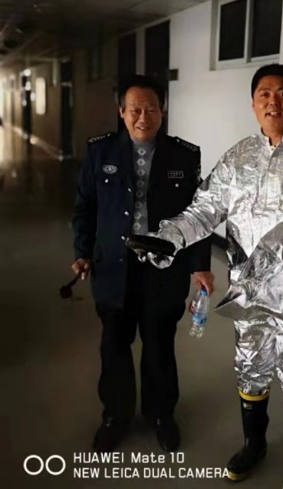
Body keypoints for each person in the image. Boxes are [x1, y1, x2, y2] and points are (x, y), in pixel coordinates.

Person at [132, 64, 283, 489]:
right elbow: (204, 211)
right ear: (253, 103)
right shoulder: (238, 158)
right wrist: (168, 239)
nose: (274, 101)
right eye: (264, 94)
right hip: (249, 293)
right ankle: (254, 444)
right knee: (251, 367)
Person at [71, 75, 213, 454]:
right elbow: (85, 208)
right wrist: (82, 251)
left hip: (163, 269)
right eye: (134, 109)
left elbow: (199, 215)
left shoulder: (184, 155)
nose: (143, 117)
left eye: (151, 109)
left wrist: (199, 265)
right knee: (114, 347)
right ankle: (114, 417)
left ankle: (161, 415)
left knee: (159, 346)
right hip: (113, 268)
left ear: (162, 111)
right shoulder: (100, 152)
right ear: (121, 112)